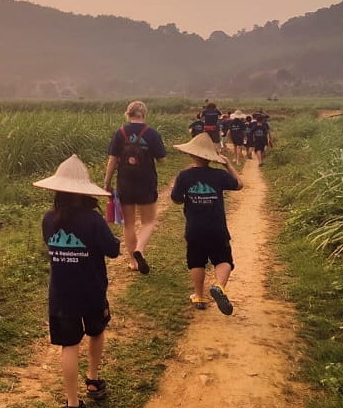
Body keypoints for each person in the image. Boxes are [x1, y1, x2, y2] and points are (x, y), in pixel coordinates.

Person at [34, 154, 120, 408]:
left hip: (61, 295)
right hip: (92, 291)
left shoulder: (49, 219)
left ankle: (72, 405)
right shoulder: (93, 220)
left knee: (68, 346)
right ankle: (93, 380)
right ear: (84, 191)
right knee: (96, 331)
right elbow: (114, 250)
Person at [170, 133, 243, 315]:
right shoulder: (219, 175)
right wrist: (227, 164)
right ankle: (219, 286)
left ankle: (199, 296)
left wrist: (190, 198)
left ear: (190, 154)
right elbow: (239, 184)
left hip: (194, 228)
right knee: (224, 260)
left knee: (196, 261)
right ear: (211, 158)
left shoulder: (184, 176)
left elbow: (176, 199)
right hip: (217, 228)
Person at [103, 100, 167, 275]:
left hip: (125, 183)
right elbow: (162, 159)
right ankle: (139, 249)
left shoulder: (120, 133)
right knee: (148, 221)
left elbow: (112, 159)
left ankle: (133, 262)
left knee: (129, 224)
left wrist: (106, 182)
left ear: (128, 114)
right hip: (146, 183)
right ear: (143, 114)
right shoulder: (152, 133)